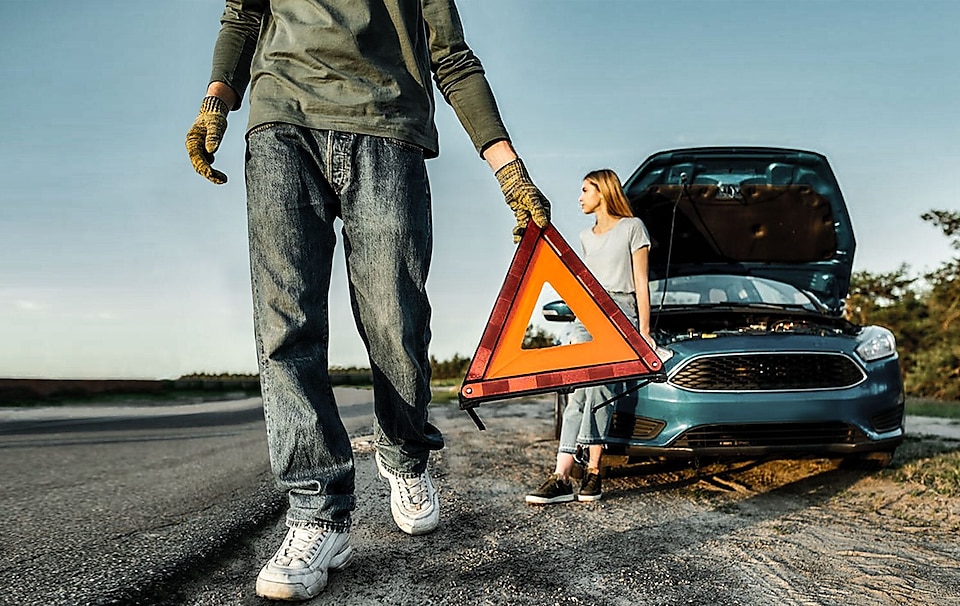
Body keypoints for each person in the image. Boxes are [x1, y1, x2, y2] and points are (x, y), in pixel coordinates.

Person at [184, 1, 550, 600]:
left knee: (396, 323)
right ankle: (318, 514)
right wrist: (216, 101)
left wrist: (508, 168)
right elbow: (244, 15)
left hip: (388, 130)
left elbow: (451, 56)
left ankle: (404, 453)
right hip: (282, 122)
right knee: (286, 329)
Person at [525, 169, 652, 505]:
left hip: (621, 312)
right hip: (588, 314)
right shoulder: (585, 236)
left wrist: (644, 333)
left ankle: (592, 471)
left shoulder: (633, 228)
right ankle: (563, 476)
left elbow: (641, 284)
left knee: (600, 388)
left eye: (585, 190)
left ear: (603, 191)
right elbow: (583, 286)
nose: (579, 197)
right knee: (578, 390)